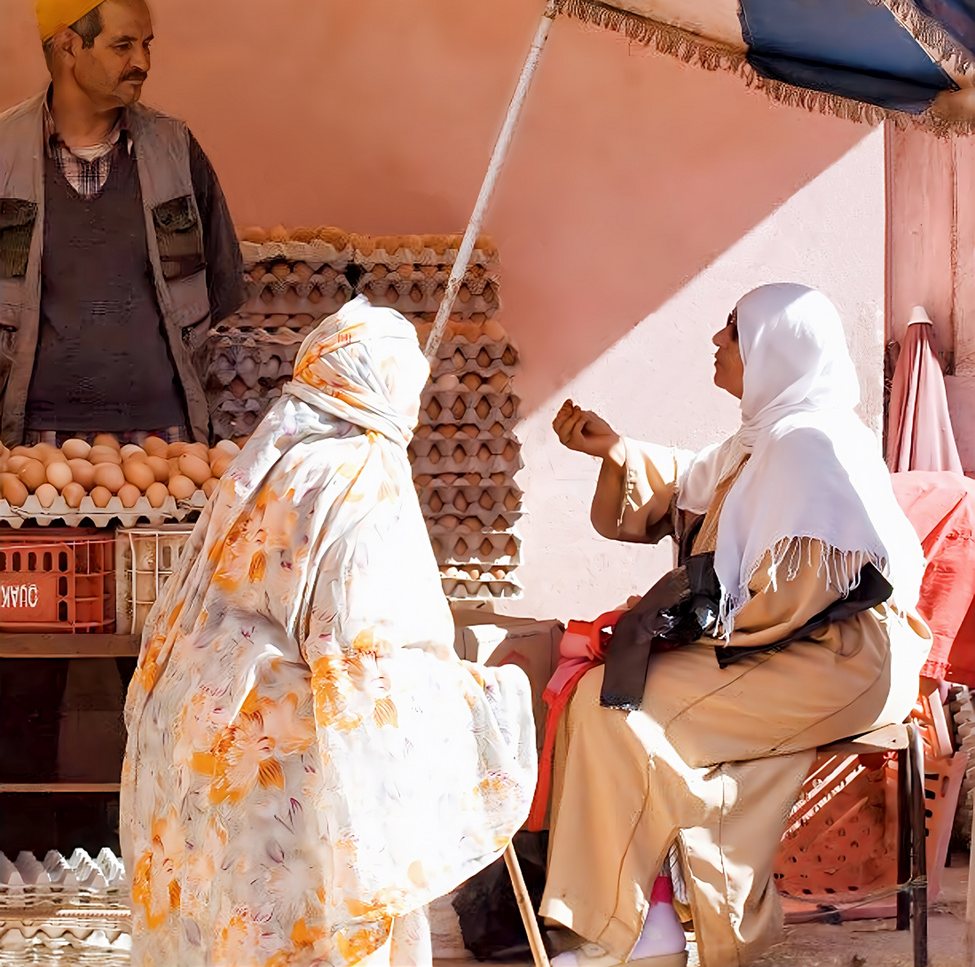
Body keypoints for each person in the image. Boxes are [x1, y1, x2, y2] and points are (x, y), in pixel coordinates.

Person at [120, 295, 536, 967]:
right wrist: (481, 699)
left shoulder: (273, 463)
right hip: (285, 759)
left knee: (230, 936)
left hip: (205, 733)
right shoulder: (362, 474)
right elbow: (362, 650)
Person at [540, 284, 932, 967]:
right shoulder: (766, 438)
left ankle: (623, 930)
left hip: (836, 657)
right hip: (789, 642)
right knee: (603, 696)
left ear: (773, 349)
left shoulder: (809, 444)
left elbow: (802, 588)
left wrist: (697, 628)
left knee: (615, 710)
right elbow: (693, 480)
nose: (716, 343)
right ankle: (651, 916)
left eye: (731, 331)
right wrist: (613, 450)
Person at [0, 0, 245, 447]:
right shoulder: (4, 150)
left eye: (147, 44)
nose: (144, 62)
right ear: (69, 46)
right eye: (123, 45)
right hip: (33, 445)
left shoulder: (175, 148)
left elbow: (223, 282)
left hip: (165, 438)